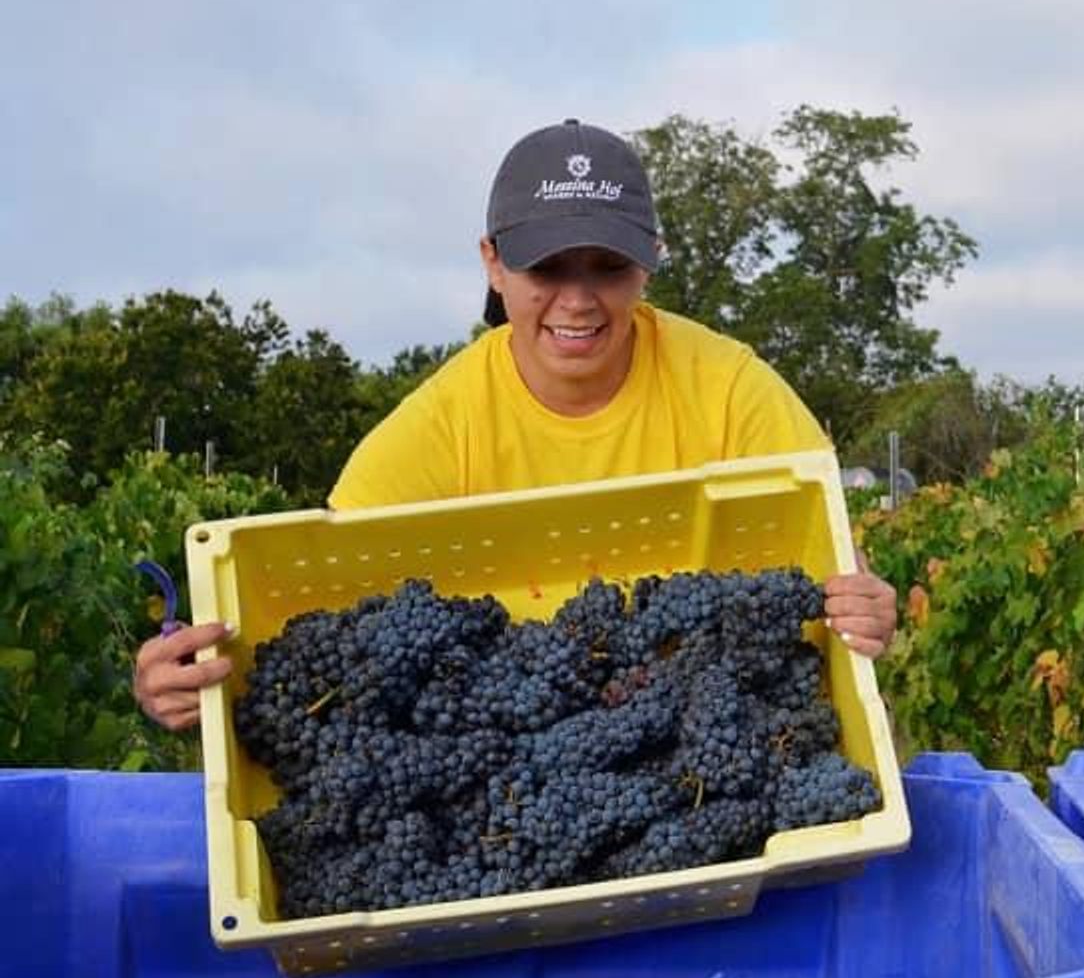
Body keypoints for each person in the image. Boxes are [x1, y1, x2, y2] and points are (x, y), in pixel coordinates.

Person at [134, 118, 899, 731]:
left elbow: (829, 553)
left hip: (693, 723)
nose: (578, 300)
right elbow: (321, 615)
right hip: (509, 752)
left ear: (651, 262)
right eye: (547, 269)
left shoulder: (729, 388)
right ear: (493, 265)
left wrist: (862, 603)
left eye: (608, 267)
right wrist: (189, 679)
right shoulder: (443, 423)